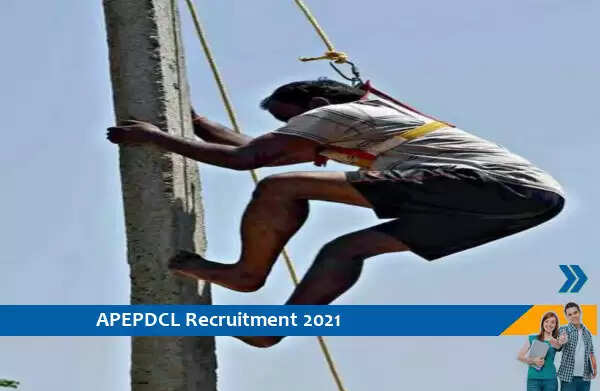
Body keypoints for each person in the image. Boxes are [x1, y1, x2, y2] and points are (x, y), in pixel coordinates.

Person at [106, 79, 566, 347]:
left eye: (290, 120)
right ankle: (276, 329)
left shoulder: (339, 115)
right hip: (529, 201)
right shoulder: (361, 122)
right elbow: (253, 146)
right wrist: (195, 121)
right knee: (345, 250)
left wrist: (154, 137)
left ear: (315, 107)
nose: (290, 130)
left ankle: (246, 275)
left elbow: (248, 159)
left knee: (279, 187)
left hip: (486, 185)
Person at [518, 312, 566, 391]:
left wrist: (560, 340)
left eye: (552, 322)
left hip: (550, 380)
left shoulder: (555, 341)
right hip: (533, 380)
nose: (549, 324)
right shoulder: (532, 338)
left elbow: (559, 346)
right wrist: (533, 361)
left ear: (555, 325)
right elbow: (520, 356)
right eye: (546, 321)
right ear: (543, 323)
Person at [558, 302, 597, 391]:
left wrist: (595, 368)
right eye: (570, 314)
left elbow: (591, 352)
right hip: (568, 378)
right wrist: (561, 341)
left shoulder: (587, 333)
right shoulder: (564, 330)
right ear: (567, 317)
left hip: (585, 378)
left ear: (580, 312)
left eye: (575, 313)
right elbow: (559, 343)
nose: (573, 316)